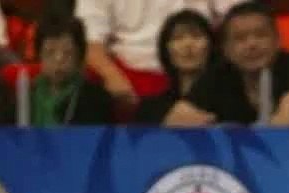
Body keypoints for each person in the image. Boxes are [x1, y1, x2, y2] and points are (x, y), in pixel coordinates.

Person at [164, 2, 289, 126]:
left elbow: (284, 127)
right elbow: (174, 123)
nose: (251, 45)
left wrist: (226, 130)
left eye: (260, 35)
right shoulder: (218, 75)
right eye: (240, 38)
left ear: (278, 40)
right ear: (226, 49)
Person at [77, 0, 237, 112]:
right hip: (133, 75)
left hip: (203, 66)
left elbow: (239, 16)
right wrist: (114, 79)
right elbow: (90, 43)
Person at [134, 10, 217, 125]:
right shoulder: (150, 108)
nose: (188, 44)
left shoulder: (229, 101)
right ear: (166, 49)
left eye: (196, 36)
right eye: (177, 38)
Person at [30, 16, 115, 126]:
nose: (59, 60)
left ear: (79, 57)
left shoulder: (96, 99)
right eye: (50, 52)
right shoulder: (26, 95)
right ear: (39, 55)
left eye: (67, 53)